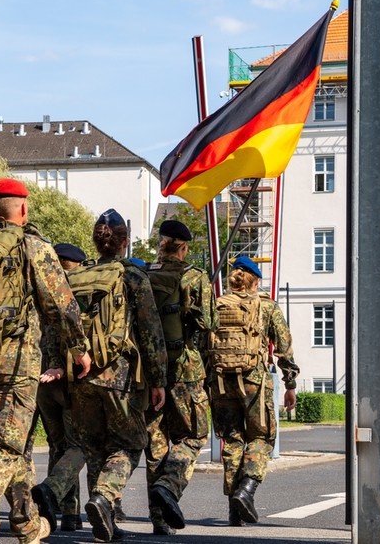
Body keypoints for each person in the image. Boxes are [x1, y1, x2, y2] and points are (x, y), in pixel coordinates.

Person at [0, 178, 81, 543]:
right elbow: (62, 304)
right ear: (23, 209)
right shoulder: (32, 246)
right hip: (16, 362)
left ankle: (27, 524)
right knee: (3, 446)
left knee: (11, 445)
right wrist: (79, 348)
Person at [36, 209, 167, 543]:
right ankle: (103, 498)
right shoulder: (133, 278)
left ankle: (63, 495)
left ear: (96, 241)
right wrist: (159, 381)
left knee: (90, 446)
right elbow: (151, 333)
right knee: (130, 443)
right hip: (118, 375)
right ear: (124, 242)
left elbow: (55, 325)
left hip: (79, 374)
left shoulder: (77, 278)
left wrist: (55, 364)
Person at [208, 255, 298, 527]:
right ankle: (246, 490)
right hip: (253, 380)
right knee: (261, 437)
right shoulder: (267, 307)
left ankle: (234, 511)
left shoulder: (216, 305)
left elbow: (203, 342)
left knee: (232, 440)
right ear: (255, 280)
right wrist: (290, 384)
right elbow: (284, 348)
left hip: (221, 381)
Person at [142, 219, 217, 535]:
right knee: (193, 437)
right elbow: (210, 323)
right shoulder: (196, 278)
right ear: (184, 247)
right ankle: (170, 486)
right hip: (185, 369)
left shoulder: (145, 276)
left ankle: (159, 519)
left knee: (156, 443)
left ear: (161, 244)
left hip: (148, 372)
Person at [33, 243, 88, 532]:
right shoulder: (70, 292)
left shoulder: (37, 288)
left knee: (57, 445)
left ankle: (63, 511)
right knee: (76, 444)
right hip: (66, 377)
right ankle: (68, 509)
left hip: (40, 378)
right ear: (75, 264)